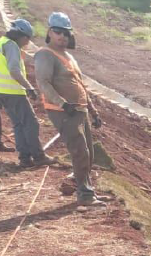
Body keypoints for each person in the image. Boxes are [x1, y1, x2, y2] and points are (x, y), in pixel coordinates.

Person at [34, 12, 104, 205]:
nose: (62, 36)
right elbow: (43, 83)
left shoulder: (68, 57)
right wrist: (62, 104)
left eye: (66, 33)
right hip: (64, 112)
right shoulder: (45, 54)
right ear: (49, 31)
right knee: (79, 152)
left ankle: (88, 190)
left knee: (88, 152)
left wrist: (93, 110)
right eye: (58, 32)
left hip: (79, 110)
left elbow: (79, 84)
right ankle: (85, 196)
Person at [0, 19, 52, 167]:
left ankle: (25, 159)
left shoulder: (0, 42)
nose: (27, 42)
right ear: (22, 36)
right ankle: (38, 157)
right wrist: (29, 87)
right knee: (31, 123)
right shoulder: (11, 46)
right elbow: (14, 70)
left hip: (1, 91)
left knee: (18, 124)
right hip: (13, 92)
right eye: (28, 39)